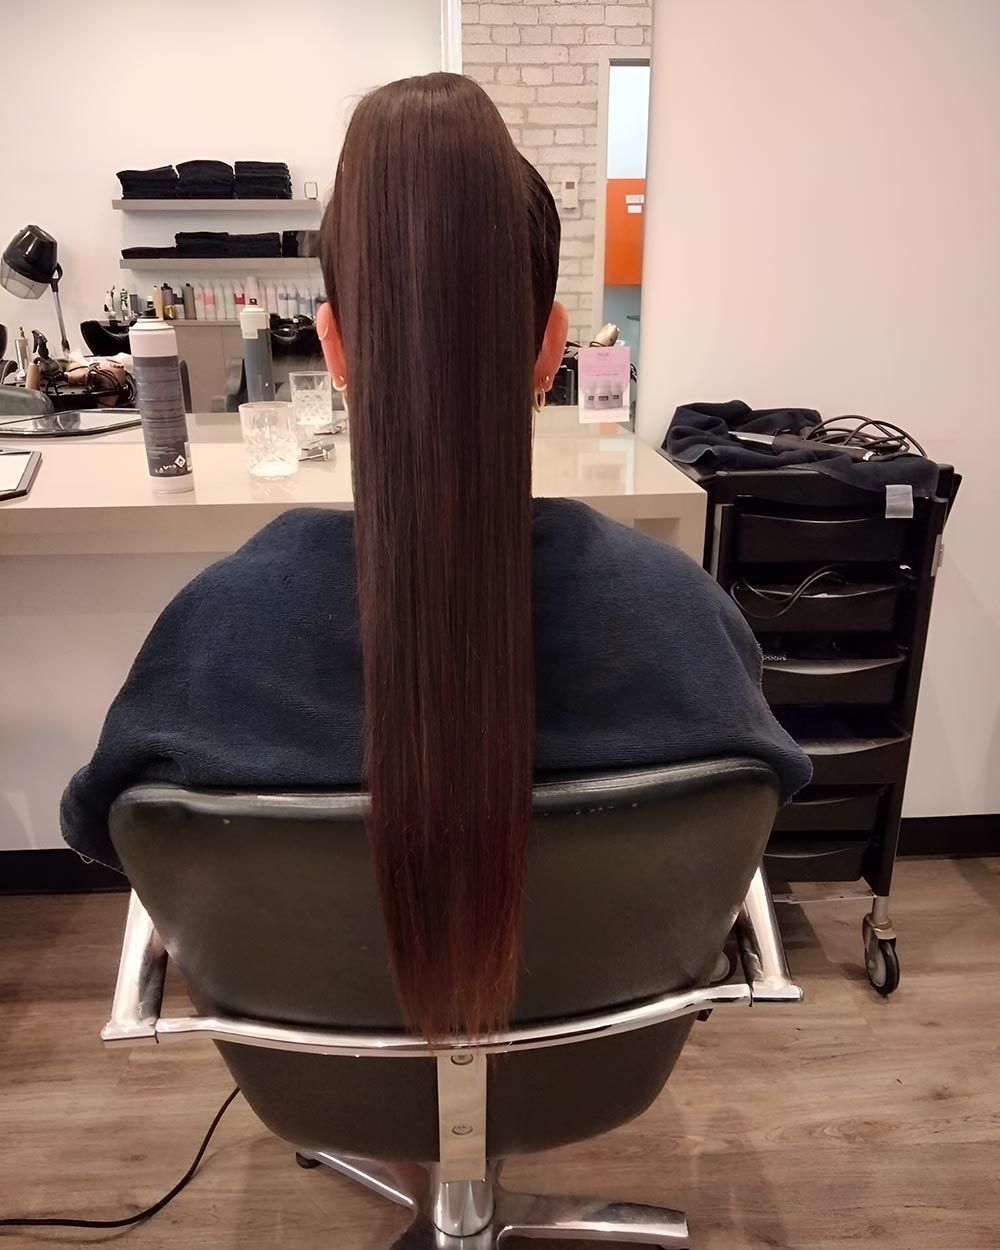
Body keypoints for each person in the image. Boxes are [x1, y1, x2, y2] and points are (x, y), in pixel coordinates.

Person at [61, 73, 810, 1040]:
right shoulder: (682, 614)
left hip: (319, 1077)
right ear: (550, 350)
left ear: (332, 347)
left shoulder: (216, 633)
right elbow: (754, 807)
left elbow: (116, 836)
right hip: (590, 1066)